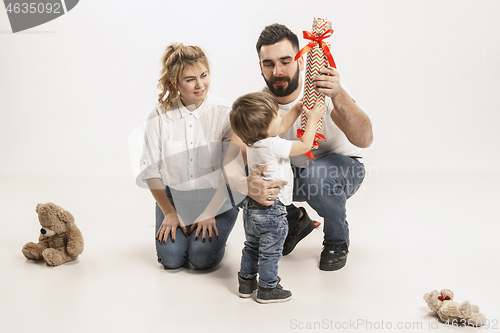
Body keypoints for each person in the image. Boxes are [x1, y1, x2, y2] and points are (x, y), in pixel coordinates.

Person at [230, 23, 373, 271]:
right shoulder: (259, 107)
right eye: (269, 64)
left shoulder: (324, 91)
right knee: (234, 177)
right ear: (260, 67)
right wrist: (246, 184)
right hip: (292, 175)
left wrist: (338, 95)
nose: (277, 71)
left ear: (301, 61)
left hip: (338, 171)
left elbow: (365, 139)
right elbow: (231, 158)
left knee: (316, 175)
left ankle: (337, 240)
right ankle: (293, 219)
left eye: (286, 61)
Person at [138, 43, 239, 269]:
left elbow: (231, 170)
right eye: (190, 79)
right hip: (175, 198)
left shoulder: (225, 113)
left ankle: (214, 235)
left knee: (202, 259)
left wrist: (210, 212)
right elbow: (150, 170)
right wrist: (169, 212)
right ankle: (185, 229)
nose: (200, 84)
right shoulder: (159, 114)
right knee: (171, 259)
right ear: (175, 82)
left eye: (204, 75)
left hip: (217, 198)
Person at [230, 92, 325, 303]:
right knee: (271, 251)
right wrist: (313, 119)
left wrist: (297, 109)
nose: (280, 118)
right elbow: (305, 145)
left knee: (252, 246)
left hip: (251, 209)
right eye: (276, 115)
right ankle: (267, 288)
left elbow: (279, 126)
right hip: (273, 210)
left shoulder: (254, 142)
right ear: (265, 127)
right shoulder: (273, 144)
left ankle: (246, 283)